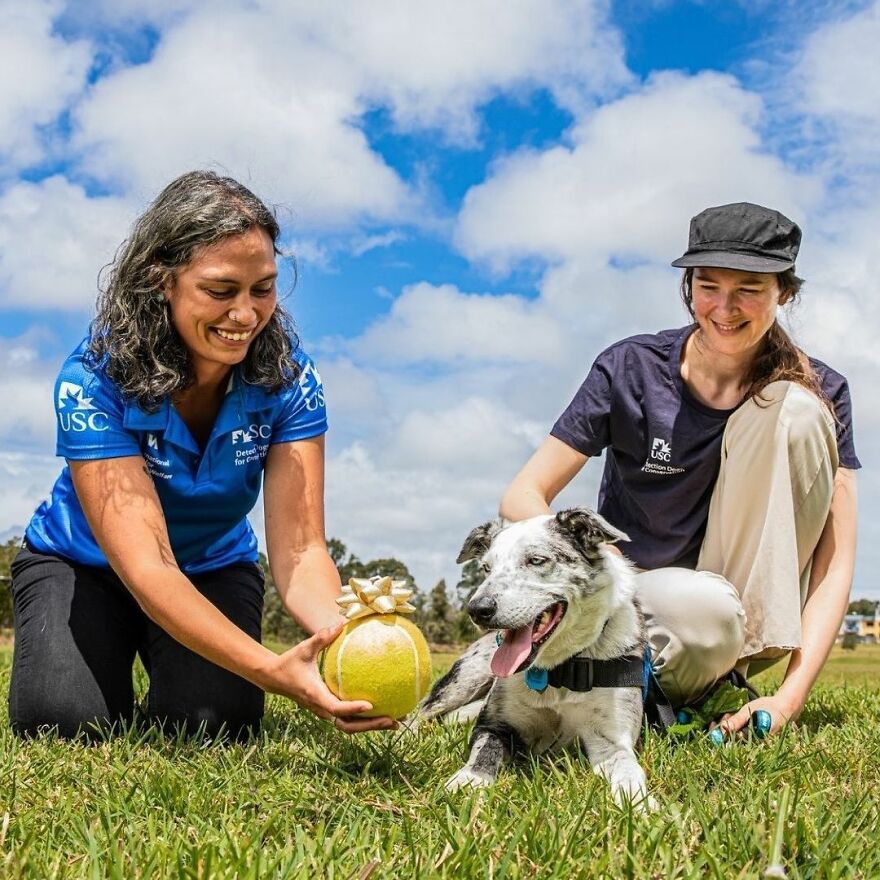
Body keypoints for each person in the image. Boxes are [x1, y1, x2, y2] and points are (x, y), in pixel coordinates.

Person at [8, 171, 395, 740]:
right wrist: (270, 670)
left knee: (216, 725)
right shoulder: (92, 377)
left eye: (262, 289)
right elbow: (148, 567)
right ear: (161, 281)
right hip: (83, 567)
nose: (245, 315)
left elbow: (301, 548)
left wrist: (344, 640)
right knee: (62, 722)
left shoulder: (291, 378)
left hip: (212, 565)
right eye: (220, 291)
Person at [500, 202, 859, 737]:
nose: (724, 307)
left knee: (795, 407)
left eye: (749, 289)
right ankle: (621, 678)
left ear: (784, 292)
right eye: (707, 284)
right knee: (696, 603)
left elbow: (835, 562)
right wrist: (602, 563)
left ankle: (709, 679)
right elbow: (523, 494)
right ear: (688, 282)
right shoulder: (630, 368)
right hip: (641, 602)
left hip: (736, 620)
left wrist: (787, 700)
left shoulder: (824, 391)